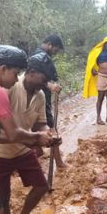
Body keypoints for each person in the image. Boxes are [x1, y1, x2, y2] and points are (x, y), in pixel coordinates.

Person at [0, 51, 59, 214]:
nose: (45, 82)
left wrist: (49, 134)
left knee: (41, 186)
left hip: (22, 149)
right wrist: (36, 139)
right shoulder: (9, 88)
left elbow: (40, 124)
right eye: (43, 78)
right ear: (30, 73)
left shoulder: (39, 96)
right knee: (3, 199)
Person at [34, 34, 67, 168]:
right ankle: (59, 163)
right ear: (49, 44)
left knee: (33, 129)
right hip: (41, 100)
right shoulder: (41, 58)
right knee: (52, 130)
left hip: (35, 99)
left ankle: (36, 156)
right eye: (56, 49)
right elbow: (35, 77)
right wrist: (49, 85)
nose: (55, 52)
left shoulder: (36, 55)